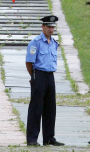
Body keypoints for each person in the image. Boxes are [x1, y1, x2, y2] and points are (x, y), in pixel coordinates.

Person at [25, 15, 65, 146]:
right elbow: (29, 62)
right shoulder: (35, 42)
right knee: (36, 108)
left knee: (50, 108)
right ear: (43, 27)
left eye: (52, 27)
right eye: (48, 26)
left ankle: (49, 138)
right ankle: (32, 138)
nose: (51, 29)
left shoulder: (54, 43)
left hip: (50, 76)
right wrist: (34, 76)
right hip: (39, 74)